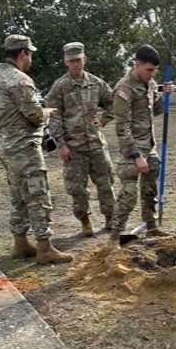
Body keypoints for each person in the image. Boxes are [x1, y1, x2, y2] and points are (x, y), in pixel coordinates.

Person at [0, 34, 73, 265]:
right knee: (37, 194)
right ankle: (44, 247)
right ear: (23, 53)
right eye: (30, 54)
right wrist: (47, 113)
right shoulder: (20, 79)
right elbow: (33, 114)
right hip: (24, 147)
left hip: (5, 145)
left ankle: (21, 243)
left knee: (18, 195)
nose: (31, 58)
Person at [46, 41, 116, 237]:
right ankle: (85, 222)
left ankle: (110, 219)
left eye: (78, 60)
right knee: (77, 188)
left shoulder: (97, 83)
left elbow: (113, 103)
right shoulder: (60, 87)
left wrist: (103, 120)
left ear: (85, 59)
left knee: (106, 184)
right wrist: (61, 144)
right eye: (71, 61)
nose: (75, 64)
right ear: (65, 62)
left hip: (96, 145)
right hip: (73, 147)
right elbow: (54, 116)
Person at [109, 44, 173, 247]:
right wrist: (137, 156)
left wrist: (165, 95)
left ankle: (151, 226)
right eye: (148, 70)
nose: (152, 74)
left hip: (149, 145)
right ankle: (114, 236)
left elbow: (154, 111)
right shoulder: (124, 88)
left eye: (154, 70)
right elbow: (122, 128)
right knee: (128, 194)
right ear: (136, 64)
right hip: (132, 149)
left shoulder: (151, 84)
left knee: (149, 189)